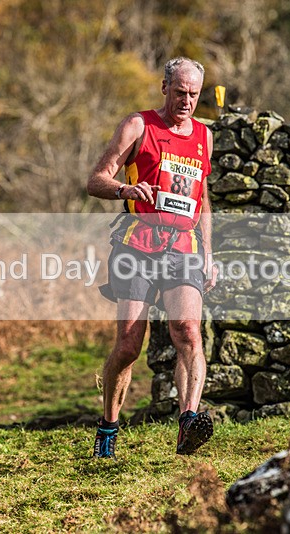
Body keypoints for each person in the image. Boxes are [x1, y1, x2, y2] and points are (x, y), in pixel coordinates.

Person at [86, 57, 218, 459]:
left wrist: (208, 252)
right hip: (138, 244)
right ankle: (108, 428)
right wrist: (124, 191)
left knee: (188, 331)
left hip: (184, 245)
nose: (186, 101)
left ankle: (188, 422)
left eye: (194, 94)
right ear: (165, 88)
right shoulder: (138, 125)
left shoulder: (205, 136)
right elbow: (96, 179)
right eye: (180, 92)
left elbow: (202, 199)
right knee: (129, 345)